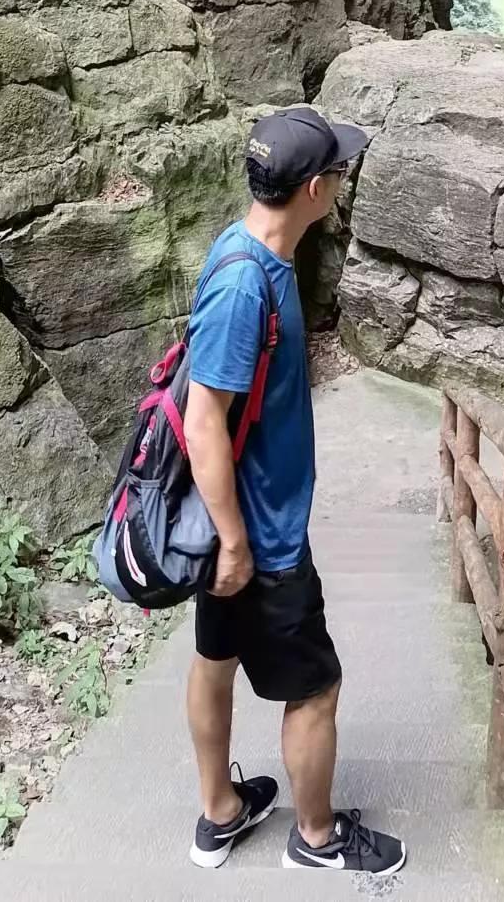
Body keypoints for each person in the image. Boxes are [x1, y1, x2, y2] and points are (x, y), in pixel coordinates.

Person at [182, 106, 407, 876]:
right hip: (258, 534)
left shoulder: (239, 251)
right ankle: (316, 840)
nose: (343, 183)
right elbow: (201, 419)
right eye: (339, 173)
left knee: (215, 658)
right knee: (316, 687)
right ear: (315, 189)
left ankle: (220, 814)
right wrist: (239, 541)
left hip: (234, 524)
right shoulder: (249, 286)